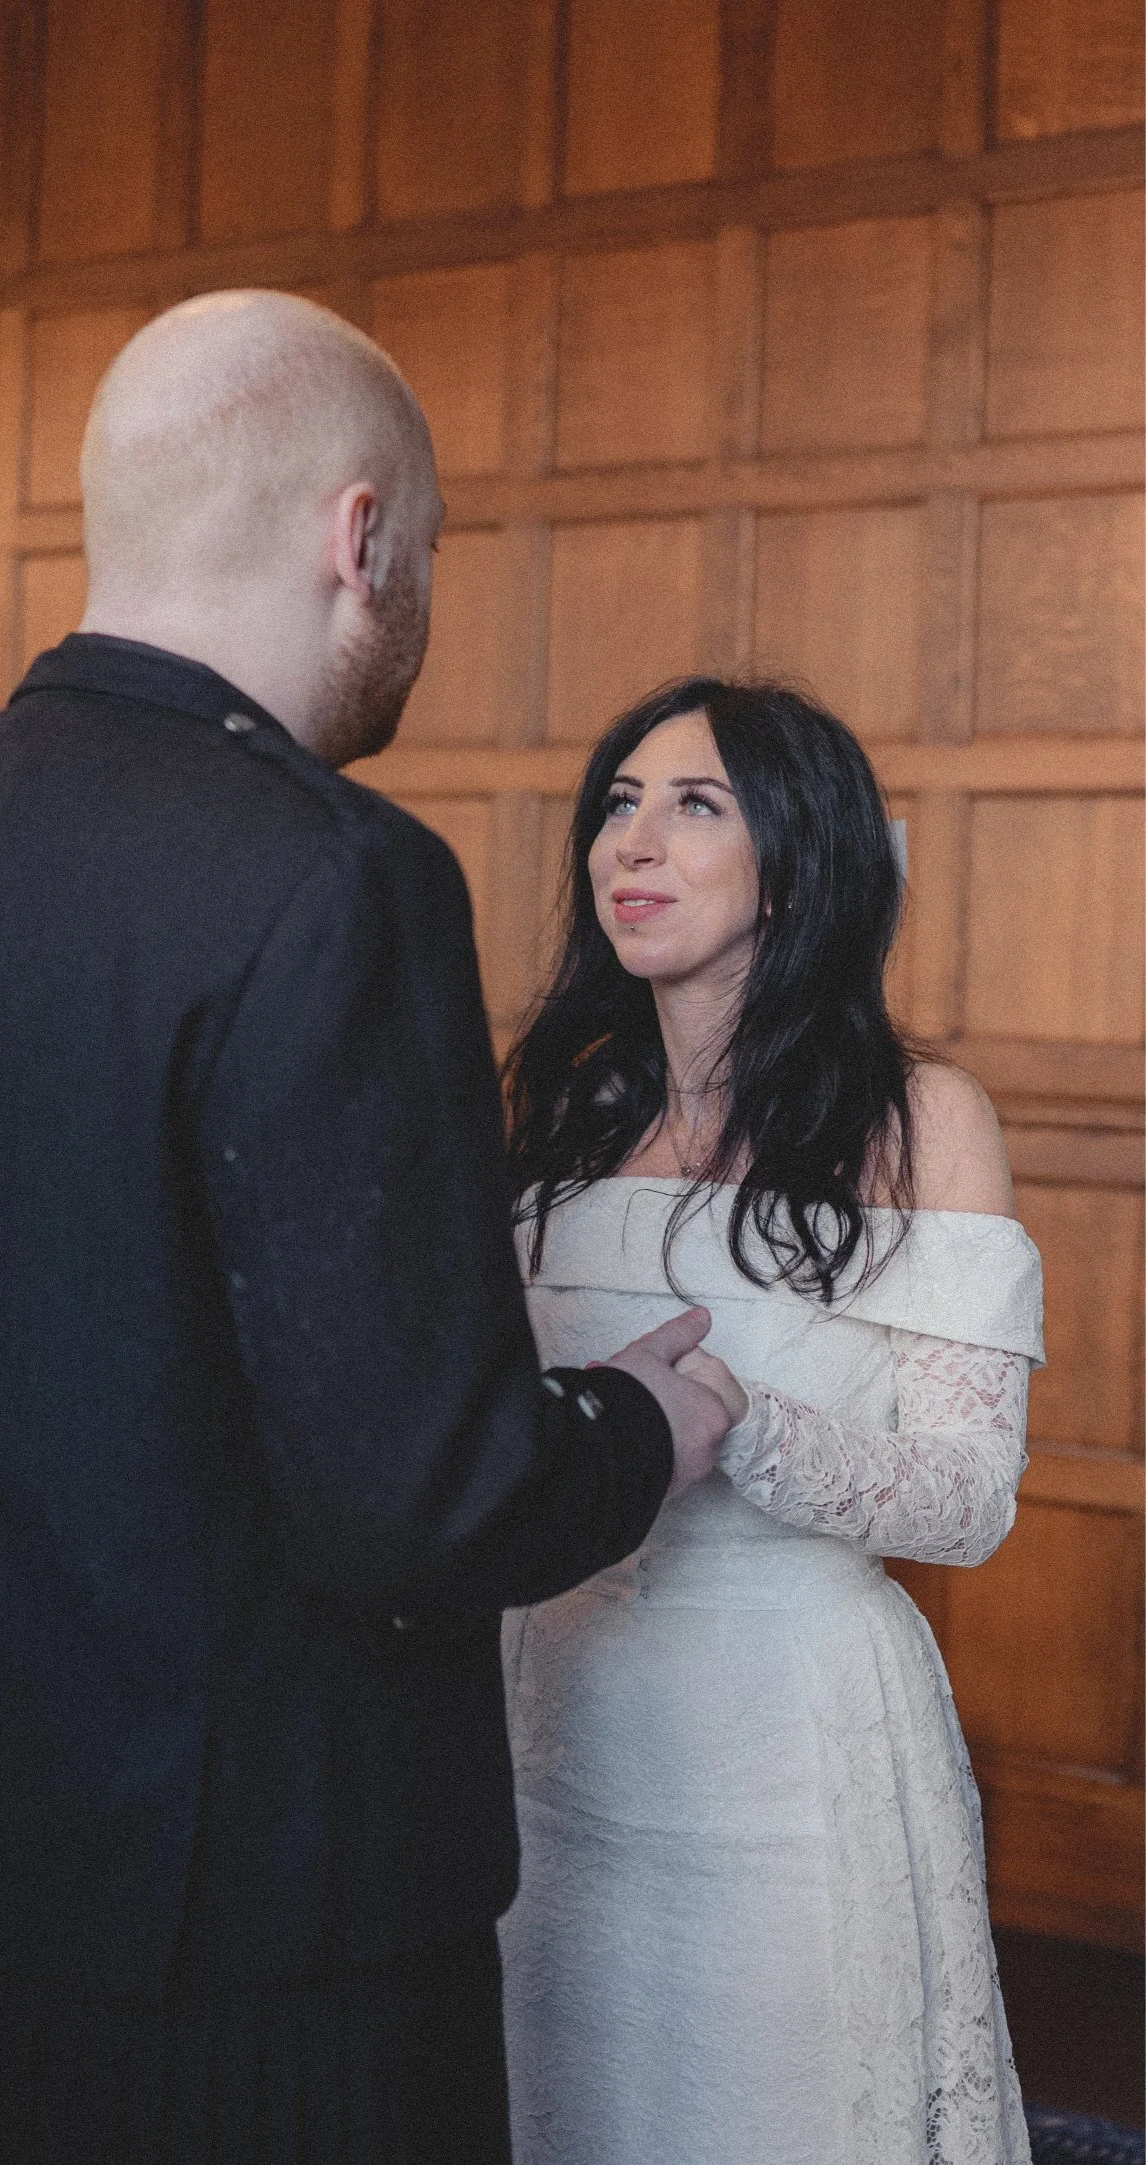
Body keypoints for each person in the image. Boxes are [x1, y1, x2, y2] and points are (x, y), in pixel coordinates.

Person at [0, 294, 734, 2165]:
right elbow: (413, 1496)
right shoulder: (334, 875)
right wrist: (640, 1429)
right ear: (361, 541)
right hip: (237, 1957)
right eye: (420, 558)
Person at [497, 678, 1042, 2165]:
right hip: (556, 1713)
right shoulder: (567, 1114)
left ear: (797, 858)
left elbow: (967, 1498)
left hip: (786, 1744)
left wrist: (741, 1424)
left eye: (695, 805)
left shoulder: (920, 1119)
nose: (634, 844)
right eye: (618, 805)